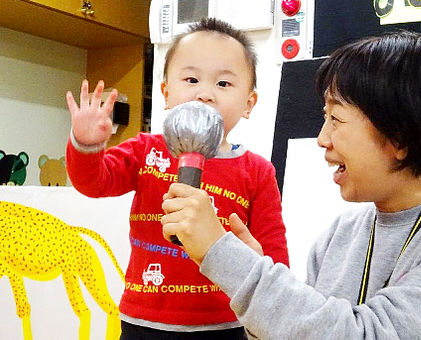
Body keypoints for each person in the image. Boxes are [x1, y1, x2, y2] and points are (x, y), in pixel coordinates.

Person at [161, 31, 421, 339]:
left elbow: (366, 334)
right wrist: (252, 275)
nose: (322, 138)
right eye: (323, 118)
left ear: (400, 136)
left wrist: (227, 259)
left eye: (336, 119)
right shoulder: (339, 236)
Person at [65, 18, 289, 340]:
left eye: (223, 84)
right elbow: (94, 182)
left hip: (223, 324)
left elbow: (274, 257)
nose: (205, 95)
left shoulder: (257, 171)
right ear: (166, 94)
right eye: (191, 79)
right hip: (143, 320)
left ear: (248, 104)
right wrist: (86, 145)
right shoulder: (146, 151)